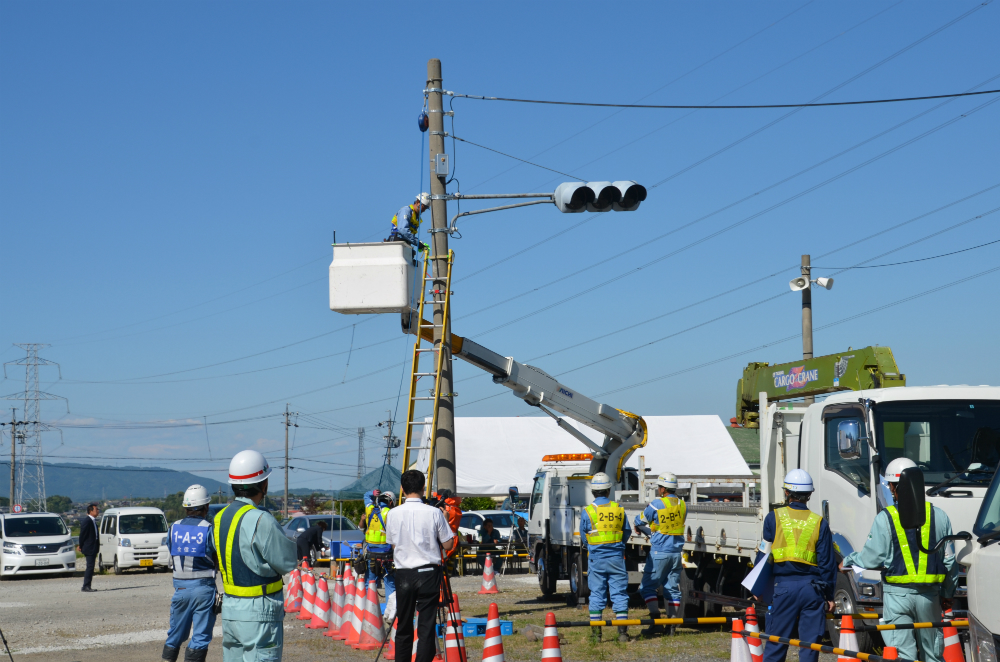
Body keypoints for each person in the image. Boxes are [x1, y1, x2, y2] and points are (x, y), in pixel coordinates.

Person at [840, 458, 959, 662]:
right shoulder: (939, 516)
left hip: (896, 597)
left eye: (890, 486)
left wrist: (849, 560)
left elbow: (871, 557)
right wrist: (947, 593)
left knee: (903, 655)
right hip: (929, 596)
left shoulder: (885, 518)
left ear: (895, 487)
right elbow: (949, 561)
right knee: (932, 654)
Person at [208, 450, 298, 662]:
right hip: (259, 610)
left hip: (231, 608)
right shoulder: (261, 519)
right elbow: (287, 563)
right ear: (263, 484)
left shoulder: (219, 518)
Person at [753, 469, 836, 662]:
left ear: (786, 492)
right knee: (810, 647)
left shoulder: (773, 518)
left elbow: (764, 555)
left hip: (783, 589)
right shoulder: (819, 523)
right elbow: (826, 563)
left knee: (776, 643)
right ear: (809, 495)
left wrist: (758, 587)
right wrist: (829, 595)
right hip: (812, 589)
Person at [384, 470, 455, 662]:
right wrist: (445, 520)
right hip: (428, 573)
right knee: (426, 627)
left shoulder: (392, 514)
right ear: (424, 488)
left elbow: (393, 545)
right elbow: (448, 544)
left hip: (404, 574)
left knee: (404, 625)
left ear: (402, 489)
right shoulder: (434, 513)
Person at [163, 485, 218, 662]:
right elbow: (216, 556)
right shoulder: (209, 528)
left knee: (175, 634)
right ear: (206, 506)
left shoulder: (174, 527)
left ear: (185, 507)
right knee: (200, 637)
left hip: (180, 588)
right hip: (204, 588)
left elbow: (171, 549)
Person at [579, 472, 632, 643]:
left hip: (596, 558)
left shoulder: (588, 511)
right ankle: (622, 634)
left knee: (596, 594)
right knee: (619, 593)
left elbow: (584, 536)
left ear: (593, 491)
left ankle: (596, 635)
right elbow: (627, 531)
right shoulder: (619, 509)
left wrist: (594, 547)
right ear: (609, 490)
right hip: (616, 557)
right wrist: (617, 545)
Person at [633, 472, 685, 637]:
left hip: (659, 552)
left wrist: (644, 527)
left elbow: (639, 520)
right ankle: (672, 626)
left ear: (663, 489)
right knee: (672, 590)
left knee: (647, 587)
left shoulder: (656, 504)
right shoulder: (682, 505)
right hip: (676, 553)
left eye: (659, 487)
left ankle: (655, 621)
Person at [363, 489, 396, 605]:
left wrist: (372, 493)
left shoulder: (370, 509)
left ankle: (369, 609)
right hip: (386, 554)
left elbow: (366, 496)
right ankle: (390, 610)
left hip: (371, 553)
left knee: (370, 582)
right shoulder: (390, 513)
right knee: (389, 582)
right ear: (390, 502)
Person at [77, 502, 101, 593]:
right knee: (90, 567)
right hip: (89, 547)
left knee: (91, 566)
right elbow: (82, 534)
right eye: (96, 509)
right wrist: (80, 545)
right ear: (91, 511)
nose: (98, 511)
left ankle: (87, 585)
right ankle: (86, 586)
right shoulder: (87, 521)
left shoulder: (93, 521)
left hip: (93, 547)